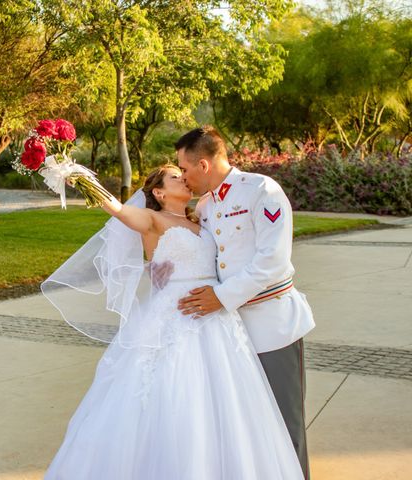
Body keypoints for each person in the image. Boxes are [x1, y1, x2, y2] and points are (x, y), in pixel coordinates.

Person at [41, 164, 304, 479]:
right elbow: (120, 211)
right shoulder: (152, 219)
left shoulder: (203, 217)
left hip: (217, 316)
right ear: (159, 192)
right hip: (174, 316)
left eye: (183, 174)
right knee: (174, 395)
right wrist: (80, 178)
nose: (183, 179)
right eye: (174, 177)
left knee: (226, 402)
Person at [175, 126, 315, 479]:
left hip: (272, 327)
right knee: (251, 427)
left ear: (204, 164)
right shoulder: (206, 206)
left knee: (285, 423)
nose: (183, 176)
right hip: (230, 335)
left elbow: (273, 261)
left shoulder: (261, 191)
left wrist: (220, 298)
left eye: (186, 168)